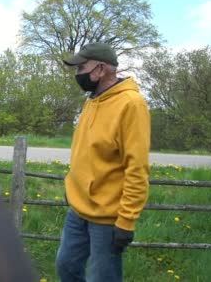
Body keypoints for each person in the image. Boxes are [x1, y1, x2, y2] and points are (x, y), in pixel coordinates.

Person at [56, 43, 151, 282]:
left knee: (102, 277)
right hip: (78, 211)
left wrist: (126, 221)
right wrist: (73, 186)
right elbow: (85, 152)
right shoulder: (92, 99)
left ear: (100, 69)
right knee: (66, 266)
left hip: (108, 218)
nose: (78, 74)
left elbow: (137, 168)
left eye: (81, 68)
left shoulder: (131, 104)